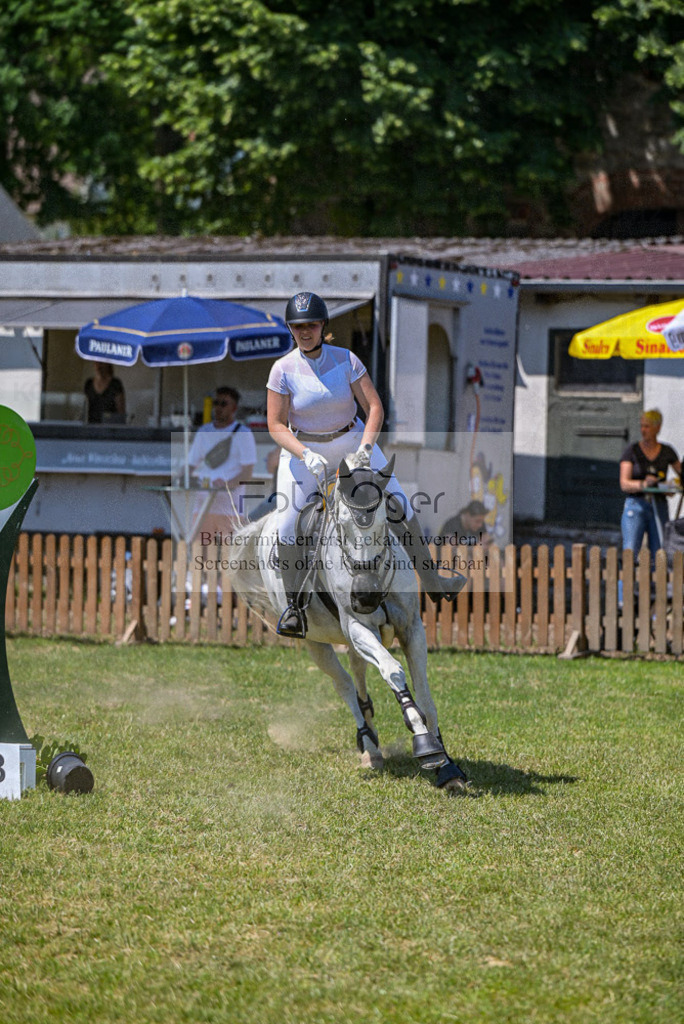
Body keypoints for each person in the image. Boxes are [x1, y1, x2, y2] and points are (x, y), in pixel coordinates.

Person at [266, 290, 464, 638]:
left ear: (323, 324)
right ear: (290, 329)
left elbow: (374, 408)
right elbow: (276, 425)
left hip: (352, 442)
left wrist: (366, 447)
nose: (306, 331)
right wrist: (305, 453)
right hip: (303, 448)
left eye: (311, 324)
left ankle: (432, 579)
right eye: (298, 326)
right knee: (286, 525)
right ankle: (294, 608)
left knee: (400, 505)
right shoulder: (282, 369)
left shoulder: (346, 359)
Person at [186, 386, 257, 538]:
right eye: (216, 403)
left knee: (229, 556)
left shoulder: (244, 434)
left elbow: (246, 473)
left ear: (234, 408)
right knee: (201, 553)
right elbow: (190, 465)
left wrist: (225, 485)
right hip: (203, 505)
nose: (218, 408)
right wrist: (179, 480)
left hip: (230, 507)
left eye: (223, 404)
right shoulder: (204, 431)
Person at [619, 408, 681, 558]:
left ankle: (657, 582)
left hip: (659, 505)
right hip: (636, 504)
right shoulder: (632, 451)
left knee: (660, 552)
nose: (643, 430)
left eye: (647, 426)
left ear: (657, 427)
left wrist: (670, 486)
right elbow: (624, 483)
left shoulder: (667, 451)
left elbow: (681, 475)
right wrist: (643, 484)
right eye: (642, 426)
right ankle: (624, 582)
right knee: (630, 550)